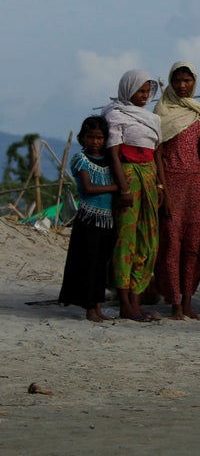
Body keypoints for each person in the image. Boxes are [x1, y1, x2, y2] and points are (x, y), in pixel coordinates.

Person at [104, 69, 165, 322]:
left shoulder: (152, 119)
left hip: (149, 178)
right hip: (129, 177)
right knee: (125, 239)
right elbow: (114, 154)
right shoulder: (116, 115)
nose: (143, 96)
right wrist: (124, 188)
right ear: (128, 89)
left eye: (146, 91)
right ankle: (125, 302)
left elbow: (157, 153)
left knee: (147, 238)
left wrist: (161, 186)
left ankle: (136, 299)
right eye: (139, 90)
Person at [153, 61, 200, 320]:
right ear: (171, 83)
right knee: (171, 244)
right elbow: (158, 152)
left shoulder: (198, 112)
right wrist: (161, 187)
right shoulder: (161, 112)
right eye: (178, 81)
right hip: (171, 182)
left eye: (188, 81)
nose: (183, 86)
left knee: (193, 244)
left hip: (194, 184)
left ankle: (187, 300)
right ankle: (174, 302)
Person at [58, 116, 118, 321]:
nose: (95, 142)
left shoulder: (110, 160)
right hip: (89, 220)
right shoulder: (80, 160)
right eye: (90, 137)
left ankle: (98, 306)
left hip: (108, 220)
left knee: (102, 264)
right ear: (83, 138)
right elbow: (88, 188)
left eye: (100, 138)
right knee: (89, 264)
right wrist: (118, 188)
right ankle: (90, 308)